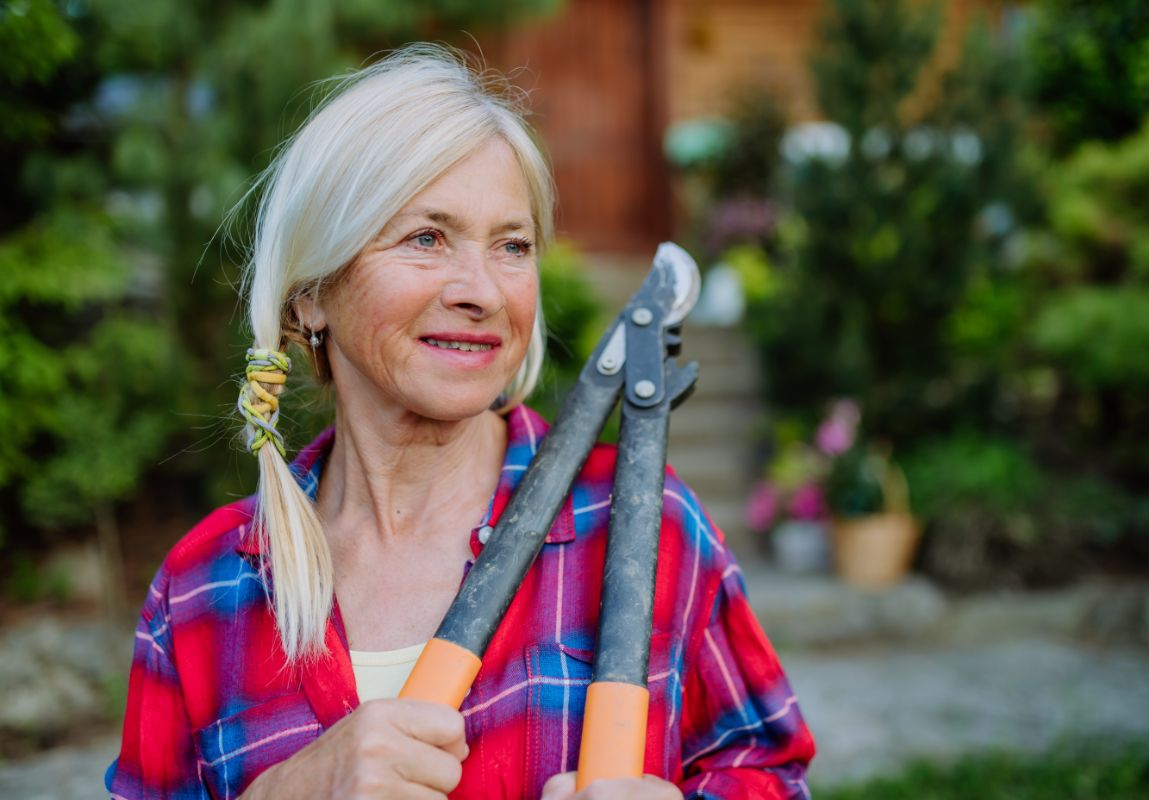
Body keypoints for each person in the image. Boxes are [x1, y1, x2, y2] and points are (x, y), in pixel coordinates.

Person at [106, 44, 815, 799]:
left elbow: (765, 766)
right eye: (426, 237)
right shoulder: (203, 591)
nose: (482, 289)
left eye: (512, 245)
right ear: (309, 294)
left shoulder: (639, 520)